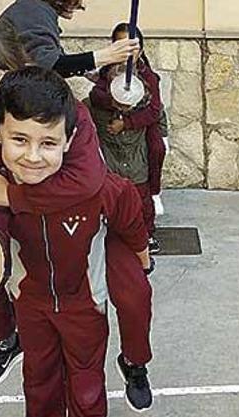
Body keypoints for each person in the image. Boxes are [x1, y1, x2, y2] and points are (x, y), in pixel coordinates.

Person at [0, 23, 156, 412]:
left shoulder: (66, 110)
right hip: (35, 228)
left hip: (94, 223)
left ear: (18, 68)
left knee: (135, 295)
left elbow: (85, 183)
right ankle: (4, 338)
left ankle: (134, 361)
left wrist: (10, 193)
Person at [0, 66, 149, 417]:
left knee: (86, 378)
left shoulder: (95, 189)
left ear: (70, 141)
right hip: (31, 302)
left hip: (85, 302)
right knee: (38, 377)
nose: (33, 156)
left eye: (48, 143)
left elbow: (129, 211)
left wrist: (141, 250)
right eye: (19, 139)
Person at [89, 23, 163, 253]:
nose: (128, 52)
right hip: (112, 143)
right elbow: (95, 96)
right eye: (121, 46)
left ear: (140, 50)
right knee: (113, 188)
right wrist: (114, 100)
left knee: (142, 189)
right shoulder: (106, 74)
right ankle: (115, 229)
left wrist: (127, 122)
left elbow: (154, 111)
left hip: (138, 140)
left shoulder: (148, 77)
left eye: (133, 47)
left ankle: (147, 233)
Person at [0, 0, 139, 78]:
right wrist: (105, 56)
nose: (79, 4)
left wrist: (89, 73)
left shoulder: (34, 9)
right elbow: (51, 65)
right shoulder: (33, 11)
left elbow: (58, 61)